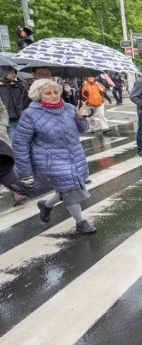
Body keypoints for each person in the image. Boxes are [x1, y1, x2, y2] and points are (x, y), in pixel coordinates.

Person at [12, 79, 96, 234]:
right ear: (38, 95)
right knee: (71, 189)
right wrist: (24, 170)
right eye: (48, 93)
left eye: (56, 92)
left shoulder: (70, 108)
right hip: (50, 160)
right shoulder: (30, 114)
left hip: (74, 157)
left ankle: (46, 205)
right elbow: (20, 144)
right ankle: (80, 222)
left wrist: (81, 117)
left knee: (67, 187)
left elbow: (82, 129)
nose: (53, 95)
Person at [0, 66, 30, 140]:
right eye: (11, 72)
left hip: (19, 117)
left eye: (15, 72)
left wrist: (19, 82)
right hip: (6, 118)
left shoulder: (18, 85)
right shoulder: (1, 86)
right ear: (4, 73)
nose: (14, 75)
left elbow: (26, 99)